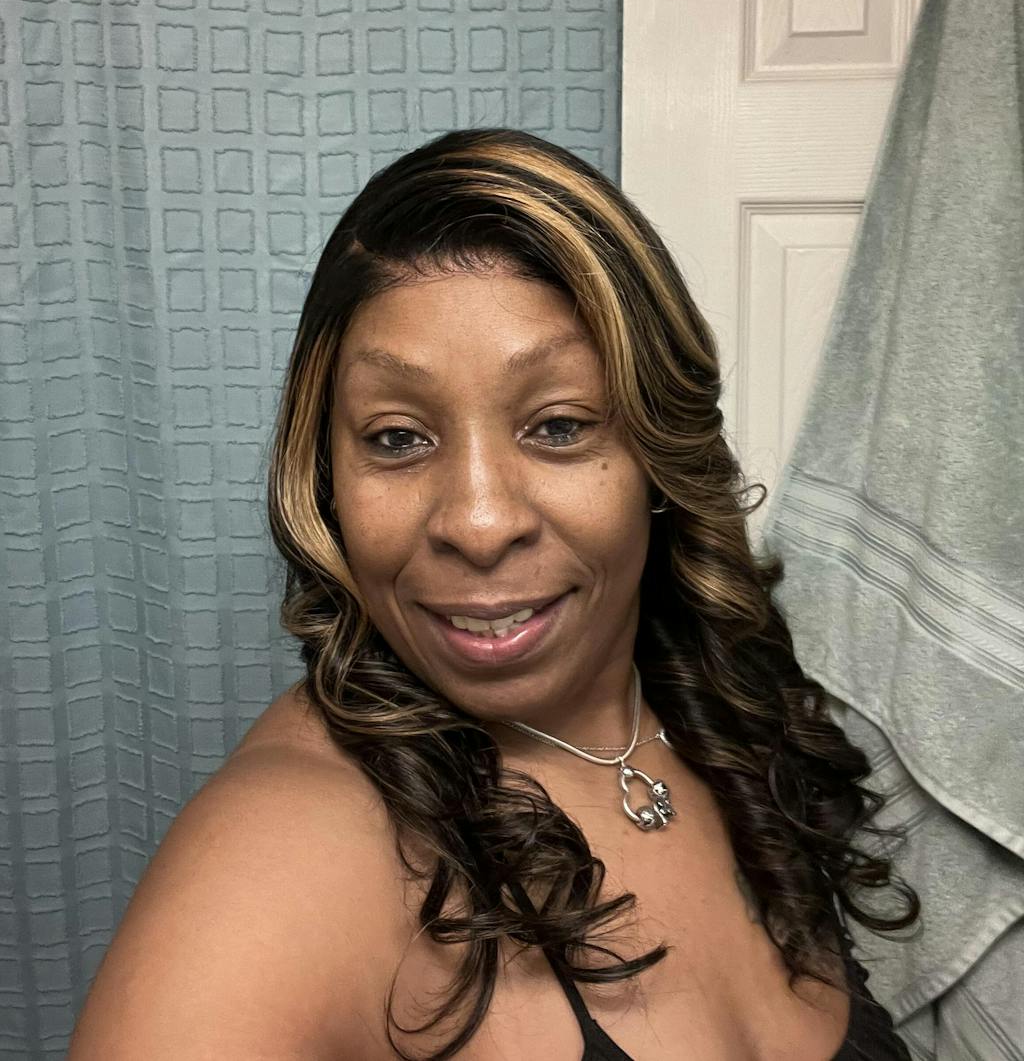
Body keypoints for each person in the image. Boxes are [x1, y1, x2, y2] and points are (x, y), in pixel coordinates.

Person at [68, 130, 919, 1060]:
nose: (477, 522)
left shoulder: (729, 708)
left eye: (558, 425)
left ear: (658, 454)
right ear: (325, 479)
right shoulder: (282, 849)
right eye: (397, 437)